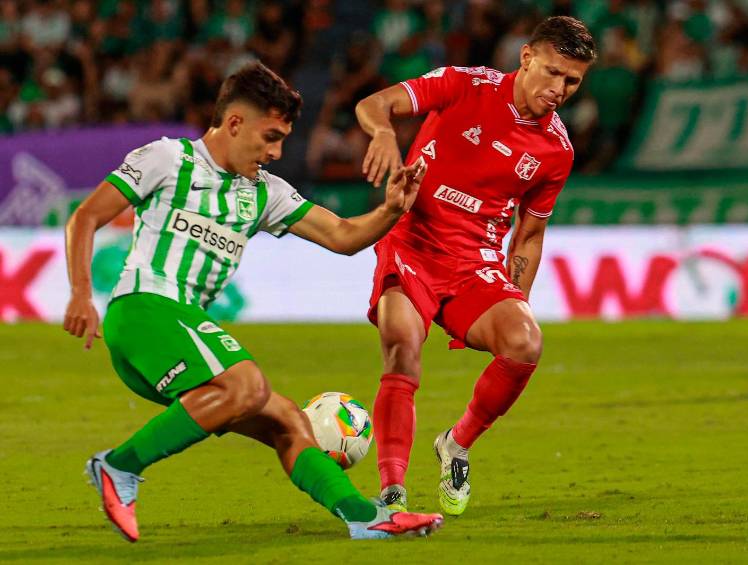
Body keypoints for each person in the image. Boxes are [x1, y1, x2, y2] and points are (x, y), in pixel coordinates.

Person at [63, 60, 440, 543]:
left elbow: (344, 237)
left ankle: (364, 518)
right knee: (246, 383)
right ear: (235, 123)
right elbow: (85, 217)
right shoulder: (167, 159)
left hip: (182, 334)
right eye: (271, 136)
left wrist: (390, 210)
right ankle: (118, 467)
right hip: (144, 311)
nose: (277, 151)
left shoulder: (264, 194)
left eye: (283, 139)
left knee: (286, 419)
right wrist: (79, 293)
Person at [355, 16, 597, 516]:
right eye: (552, 72)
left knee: (525, 342)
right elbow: (373, 104)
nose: (559, 89)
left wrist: (512, 303)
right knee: (402, 344)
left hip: (475, 261)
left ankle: (456, 444)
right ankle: (393, 491)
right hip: (413, 240)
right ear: (526, 57)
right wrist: (383, 134)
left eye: (571, 81)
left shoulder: (556, 150)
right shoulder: (465, 84)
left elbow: (529, 234)